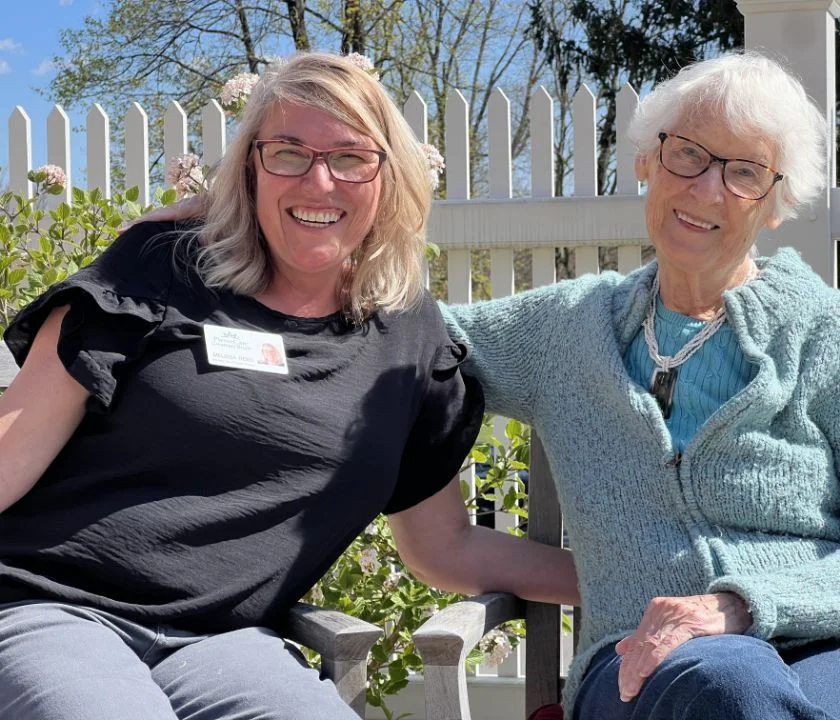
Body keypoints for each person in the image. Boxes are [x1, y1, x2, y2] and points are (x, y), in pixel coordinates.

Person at [0, 53, 578, 720]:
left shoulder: (409, 336)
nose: (320, 182)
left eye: (351, 157)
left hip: (224, 641)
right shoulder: (158, 270)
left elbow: (443, 547)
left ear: (389, 178)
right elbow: (13, 449)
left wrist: (616, 580)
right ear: (251, 167)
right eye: (289, 153)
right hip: (50, 606)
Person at [441, 51, 840, 720]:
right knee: (731, 686)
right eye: (689, 153)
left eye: (744, 172)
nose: (707, 189)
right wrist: (217, 232)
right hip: (637, 664)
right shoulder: (568, 327)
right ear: (647, 162)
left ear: (776, 204)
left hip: (818, 643)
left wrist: (743, 604)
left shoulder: (823, 334)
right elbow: (409, 332)